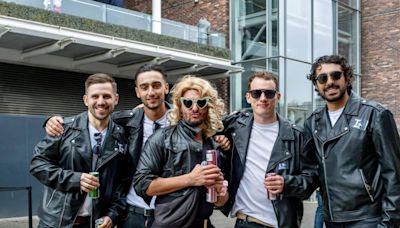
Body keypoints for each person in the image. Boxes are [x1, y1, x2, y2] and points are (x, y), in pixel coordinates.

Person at [44, 64, 230, 228]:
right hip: (133, 213)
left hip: (175, 214)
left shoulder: (184, 119)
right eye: (144, 87)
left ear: (166, 88)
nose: (151, 92)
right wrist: (54, 121)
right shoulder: (123, 122)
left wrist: (221, 138)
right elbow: (94, 115)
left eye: (156, 85)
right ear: (137, 92)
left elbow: (208, 125)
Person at [304, 55, 400, 227]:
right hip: (332, 219)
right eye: (322, 78)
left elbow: (394, 174)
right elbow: (311, 172)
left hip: (368, 219)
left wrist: (389, 223)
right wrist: (286, 183)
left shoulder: (375, 114)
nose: (330, 82)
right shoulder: (313, 122)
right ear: (316, 85)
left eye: (336, 75)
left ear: (347, 77)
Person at [30, 73, 130, 228]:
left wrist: (112, 215)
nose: (101, 102)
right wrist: (75, 179)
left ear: (116, 99)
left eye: (106, 96)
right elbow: (37, 164)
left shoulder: (121, 136)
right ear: (86, 100)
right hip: (56, 222)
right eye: (95, 96)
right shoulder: (63, 128)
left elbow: (122, 185)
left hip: (95, 224)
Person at [219, 72, 316, 228]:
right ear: (248, 97)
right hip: (247, 222)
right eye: (256, 93)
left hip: (283, 223)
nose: (262, 98)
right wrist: (220, 140)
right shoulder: (235, 127)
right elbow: (205, 131)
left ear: (278, 97)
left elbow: (311, 179)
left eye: (269, 93)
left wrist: (287, 183)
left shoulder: (297, 135)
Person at [134, 75, 229, 228]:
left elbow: (221, 201)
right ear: (180, 105)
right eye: (188, 103)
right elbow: (142, 185)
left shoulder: (214, 145)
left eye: (201, 102)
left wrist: (220, 192)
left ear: (208, 105)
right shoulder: (162, 138)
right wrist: (191, 179)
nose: (195, 108)